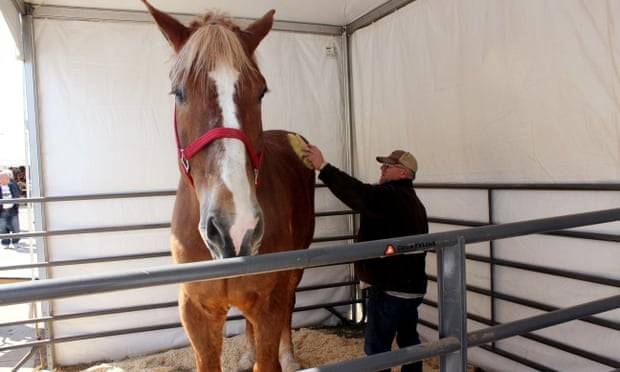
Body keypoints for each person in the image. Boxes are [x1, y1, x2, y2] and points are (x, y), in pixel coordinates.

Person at [303, 146, 428, 372]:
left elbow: (358, 193)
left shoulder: (390, 196)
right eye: (383, 165)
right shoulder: (414, 202)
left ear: (404, 173)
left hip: (389, 290)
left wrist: (324, 167)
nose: (382, 168)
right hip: (411, 290)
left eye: (388, 166)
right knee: (409, 342)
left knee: (377, 348)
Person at [0, 170, 22, 248]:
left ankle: (16, 242)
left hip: (12, 210)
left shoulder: (12, 185)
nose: (8, 179)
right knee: (3, 228)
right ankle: (5, 243)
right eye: (4, 178)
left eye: (7, 178)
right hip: (2, 211)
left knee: (16, 228)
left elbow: (18, 193)